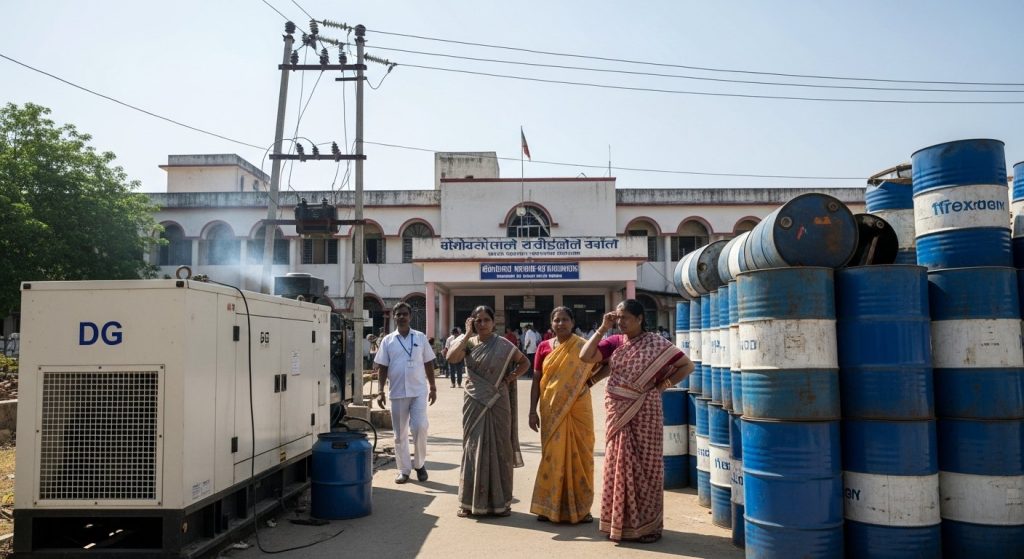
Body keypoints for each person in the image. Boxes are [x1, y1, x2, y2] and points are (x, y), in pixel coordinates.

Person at [580, 299, 694, 543]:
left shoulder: (656, 343)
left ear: (640, 318)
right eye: (618, 318)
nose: (620, 322)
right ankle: (620, 524)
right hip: (618, 412)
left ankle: (648, 527)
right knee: (617, 463)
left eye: (625, 318)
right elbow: (586, 356)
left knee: (647, 467)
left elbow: (687, 365)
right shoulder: (614, 342)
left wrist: (663, 386)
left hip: (646, 410)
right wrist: (602, 328)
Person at [446, 305, 530, 517]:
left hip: (498, 402)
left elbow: (524, 362)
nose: (482, 324)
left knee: (500, 448)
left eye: (486, 320)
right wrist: (466, 334)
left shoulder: (503, 345)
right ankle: (469, 502)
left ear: (493, 322)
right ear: (472, 322)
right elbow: (451, 359)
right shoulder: (468, 343)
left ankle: (500, 503)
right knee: (473, 447)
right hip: (474, 402)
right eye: (478, 320)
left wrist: (510, 378)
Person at [528, 306, 607, 524]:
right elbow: (536, 380)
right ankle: (548, 506)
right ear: (551, 324)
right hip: (550, 407)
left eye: (565, 320)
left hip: (578, 407)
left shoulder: (583, 346)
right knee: (552, 456)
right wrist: (531, 411)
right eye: (556, 320)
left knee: (581, 456)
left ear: (573, 322)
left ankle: (581, 508)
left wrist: (590, 382)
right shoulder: (543, 347)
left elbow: (608, 364)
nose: (560, 323)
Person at [375, 302, 438, 484]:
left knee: (420, 427)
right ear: (394, 317)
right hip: (397, 392)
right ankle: (403, 470)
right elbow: (382, 367)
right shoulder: (387, 341)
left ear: (410, 316)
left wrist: (433, 387)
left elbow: (428, 362)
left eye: (405, 314)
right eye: (398, 314)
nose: (401, 317)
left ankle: (419, 464)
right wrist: (380, 391)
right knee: (399, 434)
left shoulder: (420, 337)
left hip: (418, 391)